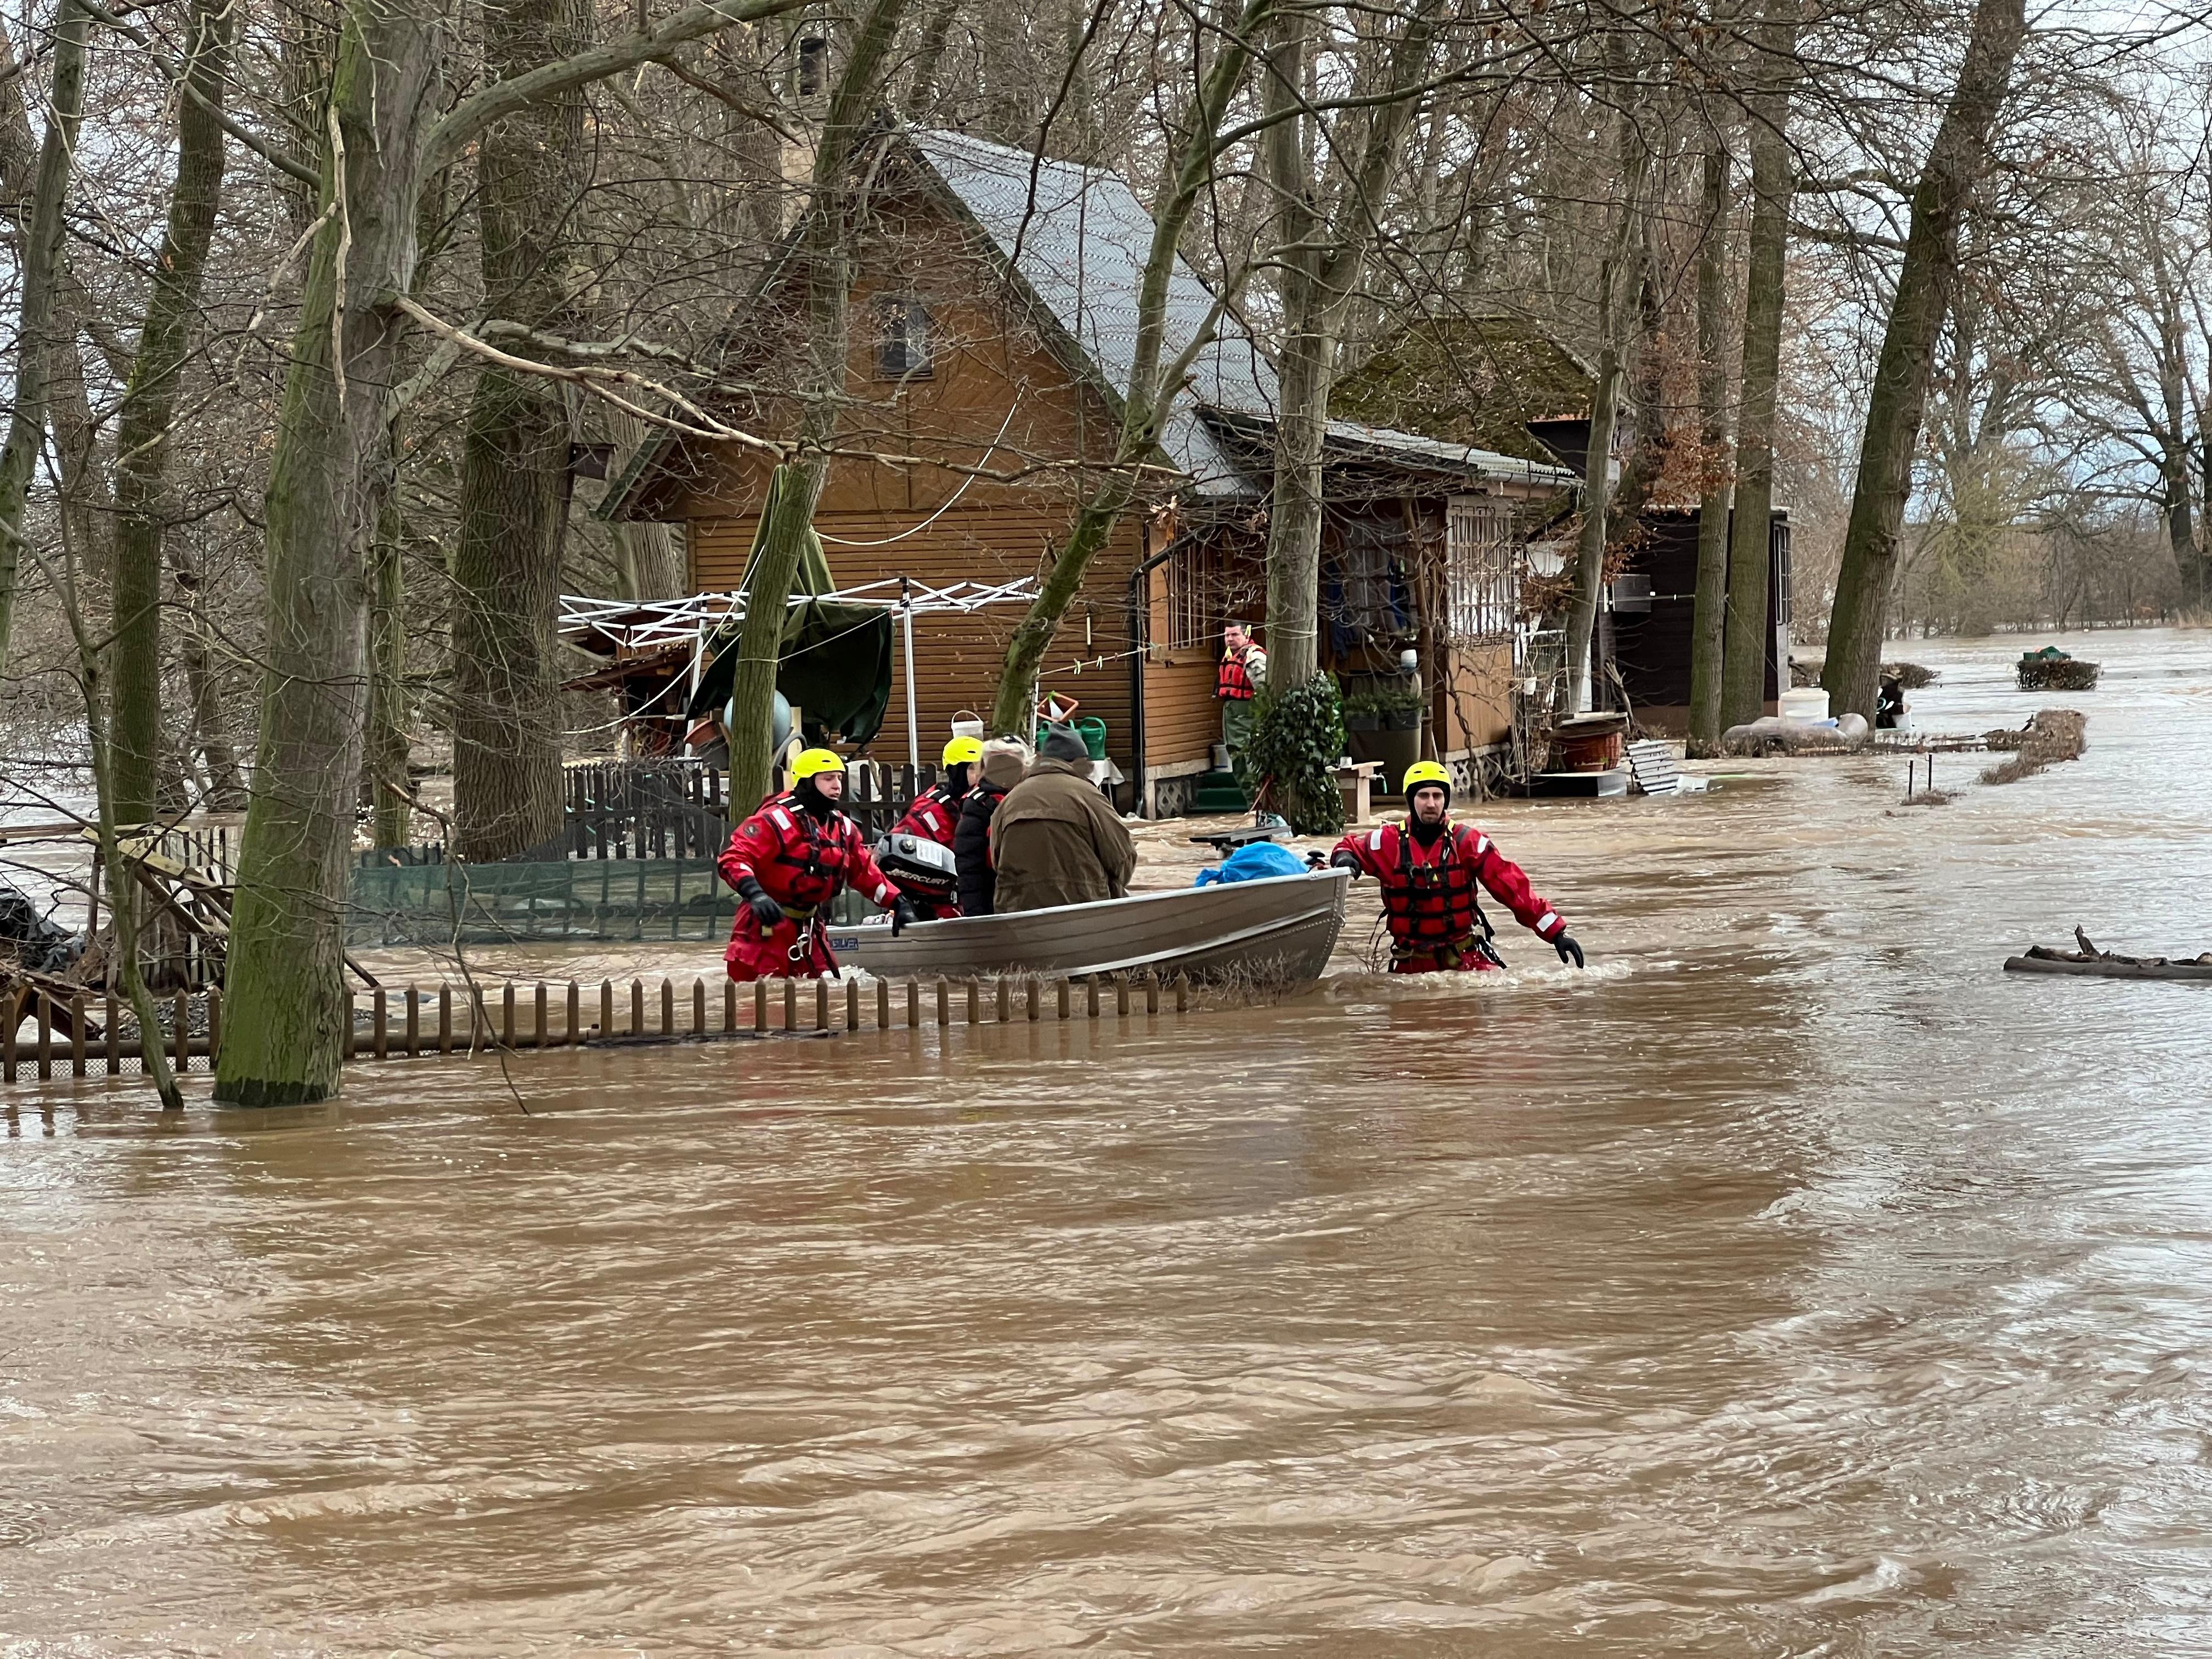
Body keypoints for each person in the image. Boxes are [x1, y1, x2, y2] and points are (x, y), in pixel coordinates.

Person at [1329, 760, 1584, 973]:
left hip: (1464, 961)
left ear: (1446, 800)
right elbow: (1349, 847)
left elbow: (1513, 888)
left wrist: (1555, 933)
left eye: (1437, 796)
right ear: (1410, 799)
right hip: (1410, 965)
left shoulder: (1468, 842)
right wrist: (1344, 859)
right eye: (1423, 795)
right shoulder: (1386, 842)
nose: (1431, 804)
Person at [716, 748, 914, 981]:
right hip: (765, 927)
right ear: (808, 783)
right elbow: (734, 859)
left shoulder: (843, 827)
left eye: (839, 778)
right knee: (759, 1004)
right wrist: (756, 894)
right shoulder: (775, 820)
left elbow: (864, 872)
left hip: (810, 929)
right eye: (828, 779)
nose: (837, 786)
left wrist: (898, 901)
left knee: (827, 993)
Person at [990, 724, 1136, 913]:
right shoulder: (1089, 796)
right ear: (1077, 761)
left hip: (1018, 911)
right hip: (1083, 908)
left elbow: (996, 858)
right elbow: (1122, 859)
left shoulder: (1009, 800)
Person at [888, 736, 982, 918]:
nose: (979, 776)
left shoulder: (985, 804)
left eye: (983, 769)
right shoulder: (930, 812)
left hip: (977, 899)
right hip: (941, 909)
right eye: (972, 768)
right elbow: (899, 855)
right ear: (956, 772)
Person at [954, 738, 1026, 917]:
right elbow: (969, 866)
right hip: (994, 901)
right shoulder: (979, 804)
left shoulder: (1028, 796)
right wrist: (977, 915)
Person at [1217, 621, 1267, 784]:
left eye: (1235, 635)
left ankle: (1255, 798)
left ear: (1247, 636)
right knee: (1235, 755)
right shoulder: (1229, 655)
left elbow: (1263, 688)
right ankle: (1250, 801)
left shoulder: (1254, 656)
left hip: (1246, 712)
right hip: (1231, 712)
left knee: (1247, 757)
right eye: (1227, 635)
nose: (1230, 639)